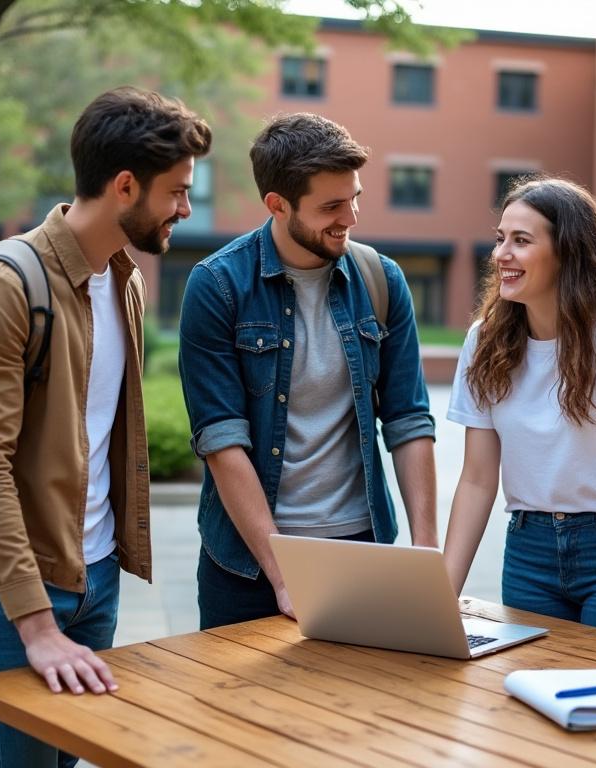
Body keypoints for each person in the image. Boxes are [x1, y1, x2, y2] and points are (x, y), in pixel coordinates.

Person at [0, 86, 211, 767]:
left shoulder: (125, 280)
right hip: (10, 592)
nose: (185, 207)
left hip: (95, 579)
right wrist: (35, 625)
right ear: (126, 186)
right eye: (177, 191)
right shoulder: (5, 285)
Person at [179, 112, 437, 630]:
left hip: (360, 550)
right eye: (331, 206)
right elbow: (221, 439)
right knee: (239, 713)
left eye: (355, 198)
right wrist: (281, 574)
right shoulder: (217, 285)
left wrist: (428, 557)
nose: (352, 217)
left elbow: (409, 422)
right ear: (277, 204)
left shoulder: (381, 279)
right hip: (248, 565)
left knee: (358, 710)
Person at [442, 176, 596, 657]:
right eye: (500, 239)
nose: (501, 255)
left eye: (521, 241)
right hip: (528, 550)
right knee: (529, 704)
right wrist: (441, 593)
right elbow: (476, 479)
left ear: (567, 252)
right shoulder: (484, 340)